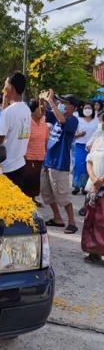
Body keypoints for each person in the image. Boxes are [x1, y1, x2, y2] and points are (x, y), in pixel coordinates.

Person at [40, 90, 79, 234]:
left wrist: (52, 102)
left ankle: (72, 222)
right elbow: (43, 113)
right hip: (48, 161)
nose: (62, 105)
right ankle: (57, 218)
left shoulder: (72, 120)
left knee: (62, 196)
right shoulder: (57, 116)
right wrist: (42, 100)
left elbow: (62, 120)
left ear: (73, 107)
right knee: (47, 193)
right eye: (61, 103)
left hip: (60, 163)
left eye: (65, 103)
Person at [0, 72, 31, 190]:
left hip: (7, 168)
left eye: (5, 85)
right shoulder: (26, 109)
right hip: (20, 164)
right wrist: (5, 99)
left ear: (11, 87)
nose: (3, 89)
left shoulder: (8, 112)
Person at [81, 109, 104, 263]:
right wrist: (94, 179)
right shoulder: (98, 138)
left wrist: (100, 181)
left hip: (101, 187)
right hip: (94, 188)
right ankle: (93, 253)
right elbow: (89, 160)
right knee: (92, 220)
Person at [24, 99, 49, 205]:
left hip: (41, 156)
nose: (43, 110)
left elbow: (46, 139)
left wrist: (46, 153)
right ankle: (26, 200)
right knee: (29, 179)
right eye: (40, 108)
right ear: (33, 110)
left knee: (36, 180)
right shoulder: (27, 122)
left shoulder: (44, 121)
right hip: (28, 156)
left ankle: (33, 198)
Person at [72, 102, 98, 194]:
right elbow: (72, 134)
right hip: (80, 145)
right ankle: (76, 186)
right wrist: (79, 135)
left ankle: (85, 187)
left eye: (89, 108)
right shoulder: (78, 120)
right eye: (85, 108)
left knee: (90, 166)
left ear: (92, 110)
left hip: (92, 146)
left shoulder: (96, 120)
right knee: (79, 165)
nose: (87, 110)